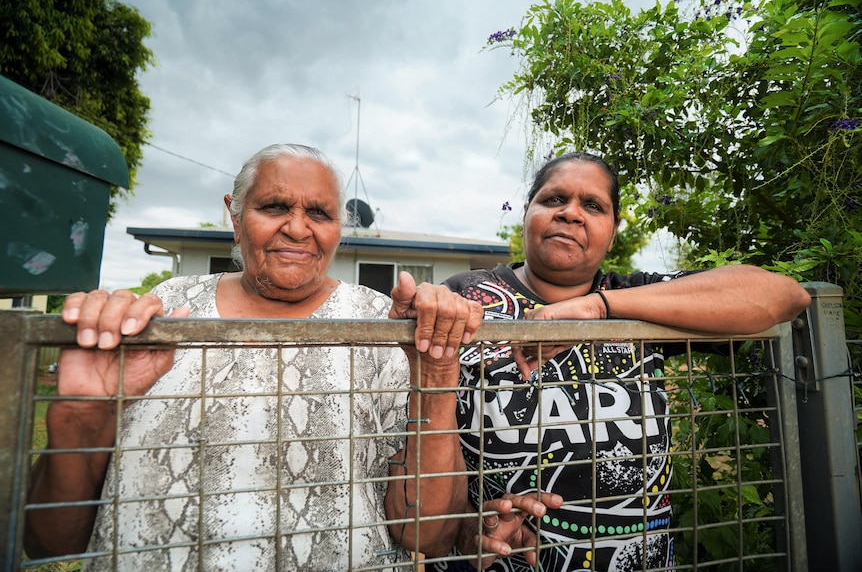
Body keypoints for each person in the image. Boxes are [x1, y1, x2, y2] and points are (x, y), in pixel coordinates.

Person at [24, 143, 482, 571]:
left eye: (319, 213)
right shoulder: (169, 311)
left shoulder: (380, 327)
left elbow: (431, 537)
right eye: (275, 207)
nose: (298, 228)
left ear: (338, 229)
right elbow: (49, 544)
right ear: (235, 214)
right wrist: (82, 415)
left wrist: (436, 374)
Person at [407, 152, 812, 571]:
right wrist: (468, 525)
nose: (570, 214)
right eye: (553, 200)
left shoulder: (638, 299)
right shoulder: (469, 296)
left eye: (593, 206)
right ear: (526, 212)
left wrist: (599, 307)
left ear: (613, 232)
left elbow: (785, 296)